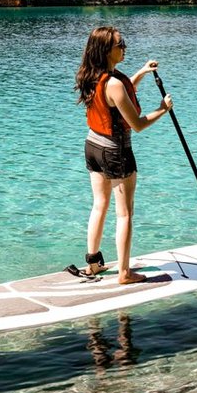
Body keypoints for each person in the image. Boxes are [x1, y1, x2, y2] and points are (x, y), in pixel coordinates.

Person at [74, 26, 173, 284]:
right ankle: (124, 273)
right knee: (125, 213)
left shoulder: (92, 75)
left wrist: (141, 71)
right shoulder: (114, 83)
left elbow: (121, 94)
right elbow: (137, 124)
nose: (124, 47)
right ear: (107, 50)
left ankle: (93, 264)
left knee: (99, 205)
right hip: (115, 151)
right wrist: (163, 109)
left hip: (93, 146)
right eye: (120, 44)